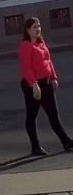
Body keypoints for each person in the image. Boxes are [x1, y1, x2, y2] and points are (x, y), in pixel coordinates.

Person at [18, 16, 73, 156]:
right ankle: (35, 147)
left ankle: (67, 142)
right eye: (34, 27)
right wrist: (34, 85)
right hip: (32, 85)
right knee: (32, 115)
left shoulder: (41, 43)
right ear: (28, 30)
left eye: (39, 26)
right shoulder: (25, 46)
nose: (38, 29)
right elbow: (26, 68)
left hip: (46, 83)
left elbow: (48, 62)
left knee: (53, 114)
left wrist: (53, 77)